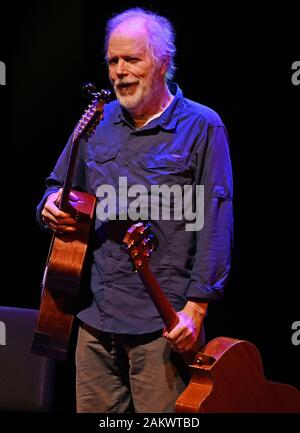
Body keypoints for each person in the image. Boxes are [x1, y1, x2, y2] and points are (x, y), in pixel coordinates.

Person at [37, 8, 233, 413]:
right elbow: (57, 186)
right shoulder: (96, 121)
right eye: (113, 61)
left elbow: (216, 223)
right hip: (93, 315)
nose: (120, 72)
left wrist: (196, 309)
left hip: (161, 323)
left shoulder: (203, 125)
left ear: (162, 62)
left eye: (132, 59)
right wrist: (51, 206)